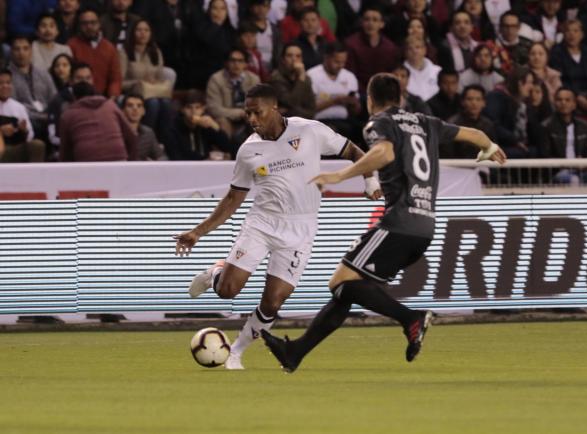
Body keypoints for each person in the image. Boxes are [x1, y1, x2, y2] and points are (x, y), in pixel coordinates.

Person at [260, 73, 506, 373]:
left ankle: (411, 318)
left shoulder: (379, 123)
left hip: (398, 222)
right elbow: (476, 135)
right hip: (424, 227)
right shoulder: (427, 122)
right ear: (400, 98)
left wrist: (339, 175)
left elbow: (384, 152)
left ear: (369, 99)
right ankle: (295, 352)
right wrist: (489, 148)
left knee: (340, 282)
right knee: (350, 289)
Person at [174, 83, 382, 370]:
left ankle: (236, 352)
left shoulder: (309, 131)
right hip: (262, 223)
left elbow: (355, 151)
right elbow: (234, 198)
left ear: (274, 108)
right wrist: (198, 231)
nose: (251, 119)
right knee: (228, 291)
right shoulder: (248, 151)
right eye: (247, 113)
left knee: (273, 302)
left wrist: (370, 180)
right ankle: (216, 273)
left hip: (301, 228)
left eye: (257, 112)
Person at [59, 81, 136, 161]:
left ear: (74, 97)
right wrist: (131, 163)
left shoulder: (68, 114)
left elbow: (65, 151)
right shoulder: (111, 106)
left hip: (86, 160)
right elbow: (132, 136)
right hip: (118, 159)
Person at [307, 42, 361, 145]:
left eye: (343, 62)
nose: (340, 66)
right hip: (320, 120)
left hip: (345, 120)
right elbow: (309, 108)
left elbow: (356, 111)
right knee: (334, 131)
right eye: (337, 62)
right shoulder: (312, 75)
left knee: (362, 129)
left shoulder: (349, 76)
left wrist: (353, 104)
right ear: (326, 58)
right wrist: (335, 101)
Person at [206, 48, 260, 147]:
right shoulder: (216, 79)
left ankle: (259, 151)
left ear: (246, 64)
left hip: (247, 118)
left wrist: (248, 114)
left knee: (257, 119)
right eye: (233, 60)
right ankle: (227, 152)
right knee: (222, 121)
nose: (236, 64)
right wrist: (240, 113)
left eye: (240, 61)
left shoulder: (254, 79)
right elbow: (213, 109)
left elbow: (258, 106)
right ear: (226, 63)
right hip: (226, 118)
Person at [163, 89, 234, 160]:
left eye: (197, 107)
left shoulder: (206, 126)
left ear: (203, 108)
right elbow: (176, 156)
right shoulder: (173, 128)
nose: (193, 112)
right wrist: (204, 159)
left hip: (205, 165)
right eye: (189, 107)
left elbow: (228, 148)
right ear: (182, 109)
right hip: (183, 165)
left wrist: (216, 127)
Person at [68, 8, 122, 98]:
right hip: (78, 97)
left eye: (93, 23)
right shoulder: (71, 45)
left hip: (104, 98)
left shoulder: (109, 47)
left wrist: (112, 98)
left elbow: (115, 78)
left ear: (99, 24)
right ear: (79, 25)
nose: (89, 26)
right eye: (85, 23)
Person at [0, 69, 46, 163]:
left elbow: (30, 135)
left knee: (37, 145)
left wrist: (23, 130)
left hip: (13, 148)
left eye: (8, 83)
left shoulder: (19, 107)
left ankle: (34, 172)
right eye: (1, 83)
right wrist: (1, 131)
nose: (5, 86)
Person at [268, 42, 315, 119]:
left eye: (298, 56)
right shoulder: (276, 78)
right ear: (283, 59)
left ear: (302, 59)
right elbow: (292, 102)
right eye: (289, 56)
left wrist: (290, 110)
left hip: (303, 122)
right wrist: (301, 78)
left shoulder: (306, 78)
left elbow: (312, 111)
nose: (294, 59)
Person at [121, 93, 167, 161]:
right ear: (122, 111)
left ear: (143, 111)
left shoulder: (148, 133)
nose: (135, 109)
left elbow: (161, 156)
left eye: (139, 106)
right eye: (130, 105)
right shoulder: (116, 133)